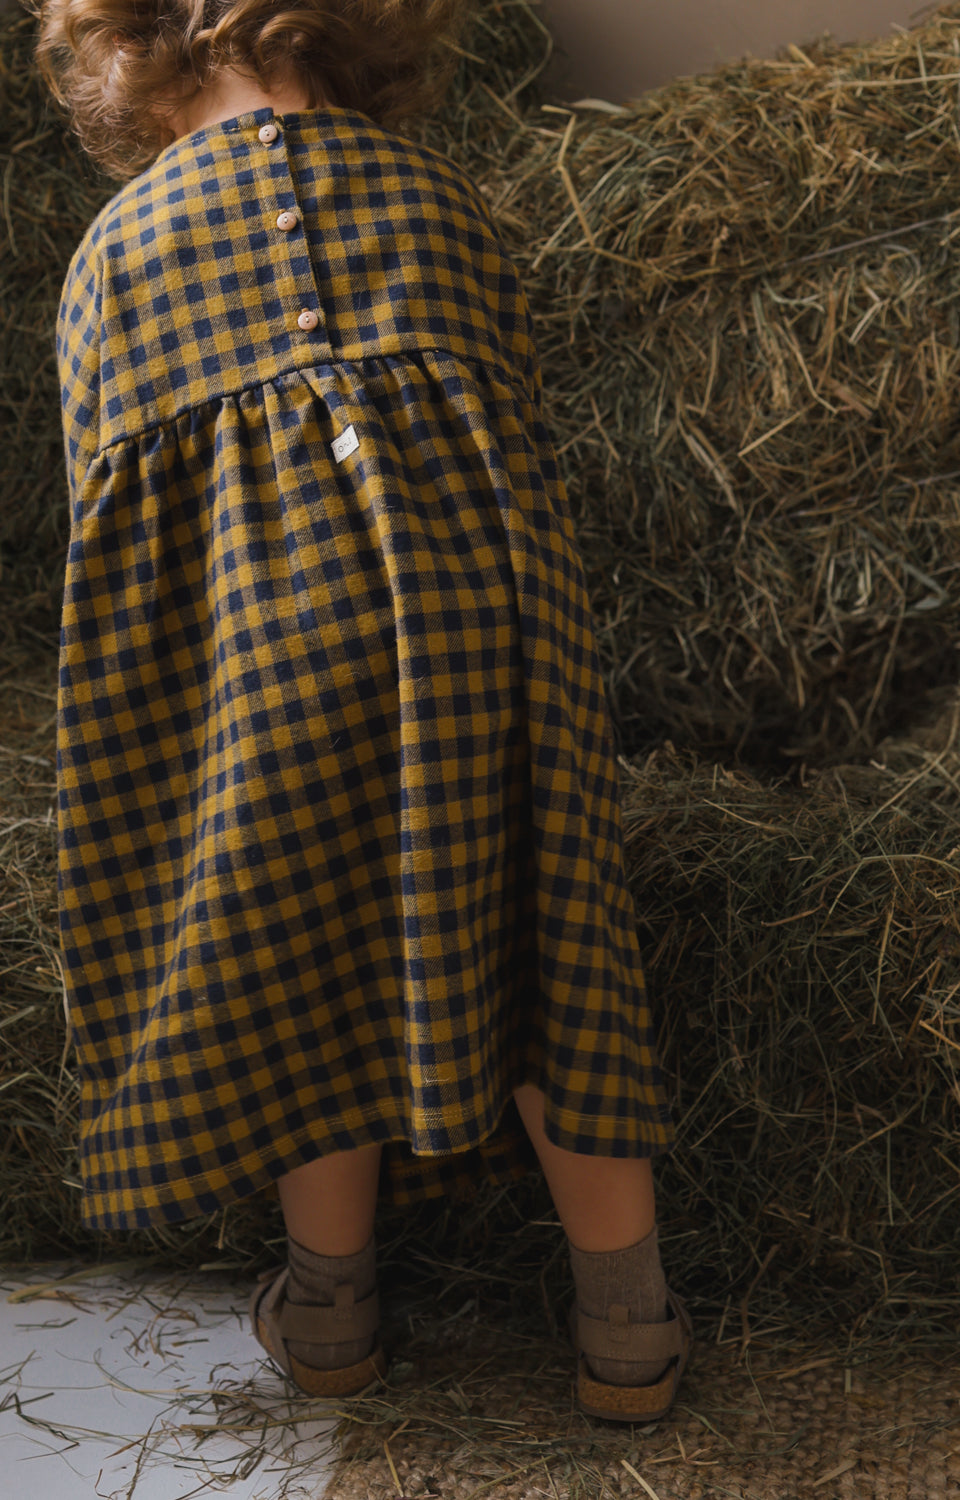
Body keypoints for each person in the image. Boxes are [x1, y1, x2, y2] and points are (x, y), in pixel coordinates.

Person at [34, 0, 692, 1421]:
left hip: (266, 661)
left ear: (124, 58)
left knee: (306, 972)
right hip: (480, 627)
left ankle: (331, 1314)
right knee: (548, 947)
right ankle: (624, 1321)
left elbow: (112, 548)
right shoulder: (439, 203)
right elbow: (515, 428)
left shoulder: (111, 257)